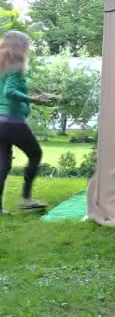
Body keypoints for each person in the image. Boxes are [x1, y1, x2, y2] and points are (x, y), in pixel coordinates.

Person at [0, 31, 48, 215]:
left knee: (3, 165)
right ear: (19, 45)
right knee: (35, 153)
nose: (28, 47)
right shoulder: (16, 65)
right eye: (27, 43)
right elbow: (10, 92)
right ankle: (26, 198)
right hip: (12, 121)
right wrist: (33, 98)